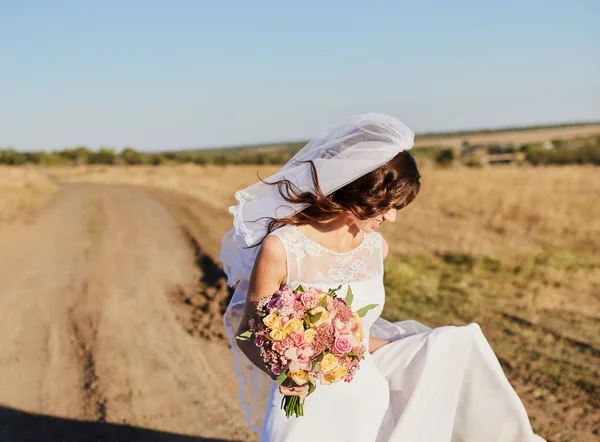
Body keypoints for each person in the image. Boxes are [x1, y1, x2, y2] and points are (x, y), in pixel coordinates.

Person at [219, 113, 545, 441]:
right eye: (386, 205)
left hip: (365, 400)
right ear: (361, 190)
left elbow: (358, 338)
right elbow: (249, 331)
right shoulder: (282, 247)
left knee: (453, 344)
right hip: (304, 408)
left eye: (398, 208)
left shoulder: (377, 249)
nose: (391, 217)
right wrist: (289, 375)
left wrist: (419, 351)